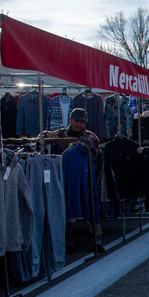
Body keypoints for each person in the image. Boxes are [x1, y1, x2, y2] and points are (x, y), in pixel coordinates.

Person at [44, 108, 103, 253]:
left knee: (90, 208)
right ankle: (67, 240)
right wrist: (48, 134)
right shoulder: (60, 134)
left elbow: (98, 154)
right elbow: (42, 138)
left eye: (82, 121)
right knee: (67, 208)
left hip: (86, 178)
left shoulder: (90, 136)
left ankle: (96, 240)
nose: (79, 124)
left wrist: (84, 148)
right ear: (70, 120)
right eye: (77, 121)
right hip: (64, 178)